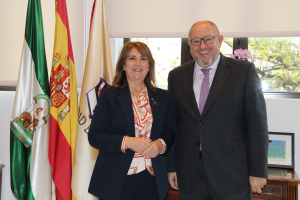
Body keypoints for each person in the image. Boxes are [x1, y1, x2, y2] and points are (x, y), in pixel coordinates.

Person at [166, 21, 269, 200]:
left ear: (220, 40)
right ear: (189, 45)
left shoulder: (243, 71)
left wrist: (258, 170)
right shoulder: (176, 76)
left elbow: (257, 125)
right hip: (190, 175)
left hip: (232, 173)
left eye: (208, 39)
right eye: (196, 41)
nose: (203, 46)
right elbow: (174, 125)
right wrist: (172, 166)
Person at [88, 41, 175, 200]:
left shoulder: (163, 97)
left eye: (143, 58)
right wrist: (128, 142)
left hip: (152, 178)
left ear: (149, 65)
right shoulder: (109, 96)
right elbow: (94, 136)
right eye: (132, 58)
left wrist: (160, 144)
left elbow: (170, 131)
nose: (138, 63)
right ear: (123, 64)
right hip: (117, 178)